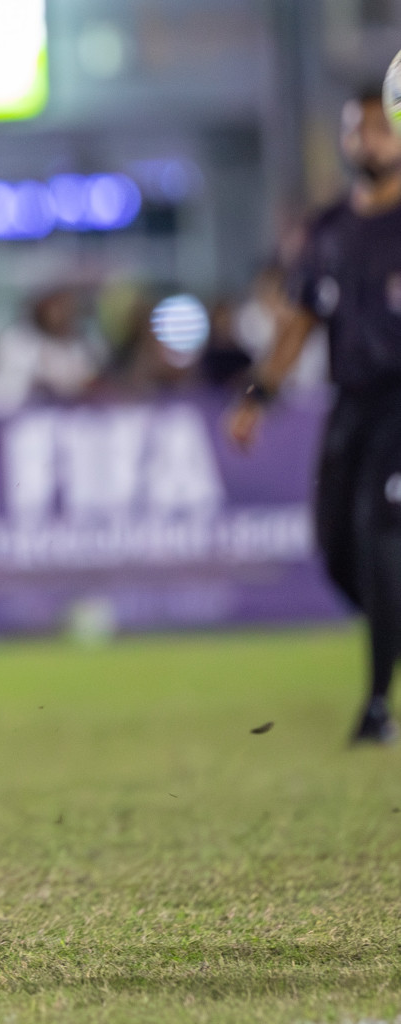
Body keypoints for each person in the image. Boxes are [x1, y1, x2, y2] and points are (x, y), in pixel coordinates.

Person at [227, 84, 401, 744]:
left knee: (383, 536)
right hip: (350, 404)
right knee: (335, 550)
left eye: (381, 128)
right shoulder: (330, 229)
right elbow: (298, 322)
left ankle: (377, 707)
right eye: (358, 129)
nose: (369, 141)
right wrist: (257, 397)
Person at [0, 287, 101, 412]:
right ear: (42, 308)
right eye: (56, 307)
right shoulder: (19, 338)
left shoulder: (77, 344)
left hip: (58, 414)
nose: (62, 313)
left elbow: (83, 381)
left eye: (66, 307)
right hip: (9, 410)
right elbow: (29, 380)